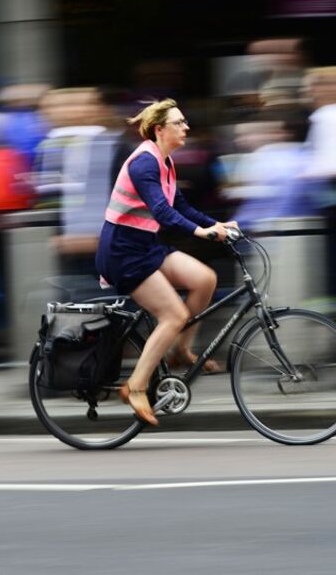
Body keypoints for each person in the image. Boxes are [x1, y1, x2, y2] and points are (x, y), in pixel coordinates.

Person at [96, 99, 237, 425]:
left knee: (205, 279)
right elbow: (163, 212)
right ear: (159, 129)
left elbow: (182, 206)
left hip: (146, 246)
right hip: (124, 253)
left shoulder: (165, 161)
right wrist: (201, 233)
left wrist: (218, 224)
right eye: (179, 122)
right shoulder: (144, 164)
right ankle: (136, 385)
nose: (186, 127)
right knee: (173, 314)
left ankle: (179, 351)